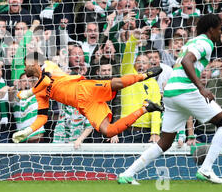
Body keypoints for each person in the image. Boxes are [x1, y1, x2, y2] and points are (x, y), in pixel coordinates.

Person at [117, 14, 222, 185]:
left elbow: (182, 62)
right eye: (219, 29)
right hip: (184, 89)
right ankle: (206, 169)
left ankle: (127, 174)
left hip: (171, 91)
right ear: (211, 30)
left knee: (165, 142)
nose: (220, 32)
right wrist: (201, 87)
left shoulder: (191, 42)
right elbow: (187, 61)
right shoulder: (206, 42)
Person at [13, 52, 164, 143]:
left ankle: (144, 75)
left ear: (34, 63)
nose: (24, 67)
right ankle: (146, 108)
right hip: (85, 106)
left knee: (115, 83)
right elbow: (42, 118)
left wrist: (28, 93)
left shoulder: (48, 65)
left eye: (25, 64)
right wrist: (27, 131)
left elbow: (46, 80)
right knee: (109, 131)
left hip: (84, 89)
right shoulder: (39, 91)